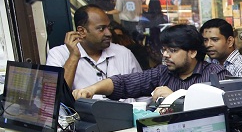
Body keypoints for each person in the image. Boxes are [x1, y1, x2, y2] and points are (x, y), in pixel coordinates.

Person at [72, 24, 229, 102]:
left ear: (192, 52)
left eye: (173, 50)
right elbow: (123, 83)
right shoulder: (162, 73)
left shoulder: (216, 74)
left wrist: (176, 98)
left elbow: (224, 109)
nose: (166, 55)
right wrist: (92, 89)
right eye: (164, 50)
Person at [46, 5, 141, 91]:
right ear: (82, 31)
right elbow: (56, 96)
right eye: (101, 28)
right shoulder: (58, 54)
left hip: (127, 110)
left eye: (109, 27)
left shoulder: (124, 53)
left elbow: (141, 93)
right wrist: (74, 57)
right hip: (84, 110)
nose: (109, 33)